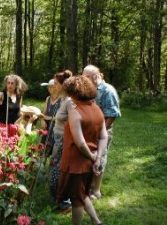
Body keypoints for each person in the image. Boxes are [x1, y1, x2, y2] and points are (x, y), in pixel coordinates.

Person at [57, 75, 108, 225]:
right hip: (89, 161)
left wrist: (94, 158)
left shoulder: (75, 112)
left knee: (76, 200)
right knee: (82, 193)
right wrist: (97, 158)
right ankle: (96, 222)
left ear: (74, 93)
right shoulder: (97, 109)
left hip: (76, 163)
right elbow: (104, 136)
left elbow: (80, 143)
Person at [82, 64, 121, 199]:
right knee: (90, 157)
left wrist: (101, 132)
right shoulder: (90, 88)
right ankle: (89, 186)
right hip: (90, 131)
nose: (83, 79)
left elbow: (113, 114)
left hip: (103, 132)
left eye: (86, 76)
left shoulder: (107, 90)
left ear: (94, 76)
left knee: (100, 157)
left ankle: (96, 190)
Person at [47, 70, 74, 210]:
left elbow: (75, 121)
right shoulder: (62, 99)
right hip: (58, 138)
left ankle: (64, 201)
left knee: (59, 169)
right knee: (54, 167)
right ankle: (58, 198)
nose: (53, 86)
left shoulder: (69, 101)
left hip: (64, 139)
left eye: (56, 84)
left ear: (63, 85)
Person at [40, 79, 61, 156]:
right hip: (47, 127)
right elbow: (43, 113)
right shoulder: (48, 98)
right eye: (48, 87)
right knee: (43, 149)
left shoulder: (62, 99)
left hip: (57, 128)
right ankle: (41, 165)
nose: (49, 89)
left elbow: (63, 117)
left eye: (51, 87)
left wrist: (49, 118)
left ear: (56, 87)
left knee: (54, 152)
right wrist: (42, 120)